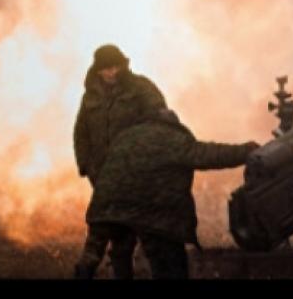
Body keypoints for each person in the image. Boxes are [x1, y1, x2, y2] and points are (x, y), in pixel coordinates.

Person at [86, 108, 259, 279]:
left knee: (103, 256)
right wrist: (246, 151)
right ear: (172, 124)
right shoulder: (170, 138)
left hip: (107, 208)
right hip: (152, 214)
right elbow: (206, 155)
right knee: (170, 266)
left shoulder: (125, 137)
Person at [73, 44, 168, 279]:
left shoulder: (141, 88)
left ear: (122, 65)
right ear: (98, 70)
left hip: (137, 177)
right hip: (103, 178)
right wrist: (86, 166)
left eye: (115, 67)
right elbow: (81, 133)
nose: (111, 72)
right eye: (106, 68)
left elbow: (160, 122)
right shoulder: (90, 97)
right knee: (109, 236)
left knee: (150, 237)